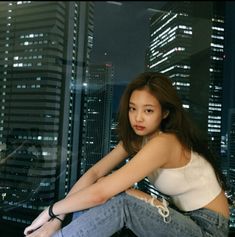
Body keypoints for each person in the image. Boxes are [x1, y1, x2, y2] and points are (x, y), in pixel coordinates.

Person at [24, 72, 229, 237]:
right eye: (133, 109)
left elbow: (100, 194)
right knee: (107, 186)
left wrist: (50, 211)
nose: (137, 118)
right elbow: (94, 174)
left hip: (207, 229)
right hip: (181, 218)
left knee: (122, 203)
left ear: (164, 113)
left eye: (148, 111)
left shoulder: (165, 142)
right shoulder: (138, 139)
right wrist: (57, 220)